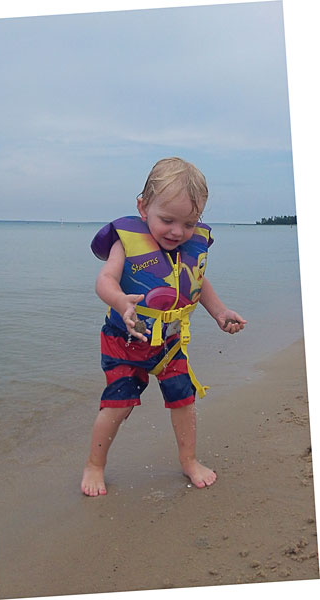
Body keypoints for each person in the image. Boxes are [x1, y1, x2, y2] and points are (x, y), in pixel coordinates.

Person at [81, 157, 246, 497]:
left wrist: (220, 312)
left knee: (183, 400)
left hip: (169, 343)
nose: (177, 232)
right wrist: (120, 301)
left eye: (189, 223)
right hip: (126, 341)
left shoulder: (188, 247)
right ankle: (95, 465)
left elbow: (197, 283)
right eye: (167, 220)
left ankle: (189, 460)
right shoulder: (125, 242)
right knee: (119, 405)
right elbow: (105, 279)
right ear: (143, 207)